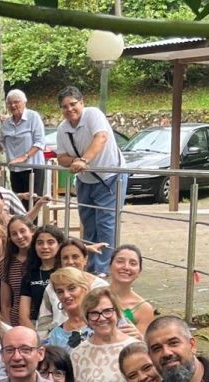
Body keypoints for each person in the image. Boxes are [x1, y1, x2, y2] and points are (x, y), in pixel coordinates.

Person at [54, 86, 126, 275]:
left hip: (109, 177)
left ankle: (103, 268)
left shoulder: (93, 115)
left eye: (73, 104)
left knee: (106, 223)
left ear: (82, 103)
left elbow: (101, 137)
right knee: (88, 223)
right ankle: (89, 264)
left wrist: (84, 160)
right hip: (85, 179)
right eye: (64, 106)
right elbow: (61, 157)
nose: (69, 109)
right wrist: (76, 162)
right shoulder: (63, 128)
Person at [0, 90, 46, 201]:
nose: (13, 105)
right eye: (9, 103)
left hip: (33, 168)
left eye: (16, 102)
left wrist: (24, 156)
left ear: (24, 102)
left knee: (32, 204)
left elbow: (40, 142)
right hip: (15, 169)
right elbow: (3, 146)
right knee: (18, 204)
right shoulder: (7, 123)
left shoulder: (33, 117)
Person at [18, 226, 64, 329]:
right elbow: (23, 316)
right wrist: (36, 339)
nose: (45, 247)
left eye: (50, 242)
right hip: (40, 327)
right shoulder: (29, 275)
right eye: (40, 243)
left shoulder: (66, 272)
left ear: (59, 246)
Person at [106, 244, 155, 333]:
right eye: (120, 261)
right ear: (110, 266)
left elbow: (141, 344)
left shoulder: (144, 308)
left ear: (139, 271)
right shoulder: (93, 295)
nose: (126, 267)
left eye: (133, 263)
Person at [43, 267, 93, 352]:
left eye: (71, 288)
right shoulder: (55, 336)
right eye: (60, 291)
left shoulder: (104, 320)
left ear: (85, 289)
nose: (66, 295)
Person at [1, 216, 35, 326]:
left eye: (22, 231)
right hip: (16, 323)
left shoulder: (42, 259)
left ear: (32, 231)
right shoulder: (7, 263)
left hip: (42, 323)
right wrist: (8, 328)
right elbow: (5, 303)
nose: (19, 237)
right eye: (14, 234)